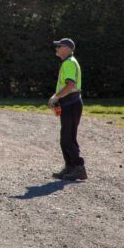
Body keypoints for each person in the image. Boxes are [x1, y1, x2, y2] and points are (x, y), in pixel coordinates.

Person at [49, 38, 87, 180]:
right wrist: (57, 97)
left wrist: (55, 97)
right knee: (66, 137)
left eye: (59, 46)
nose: (56, 48)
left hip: (71, 102)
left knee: (68, 137)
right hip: (71, 102)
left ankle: (78, 167)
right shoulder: (68, 62)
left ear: (66, 48)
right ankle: (70, 167)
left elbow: (70, 85)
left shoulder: (69, 63)